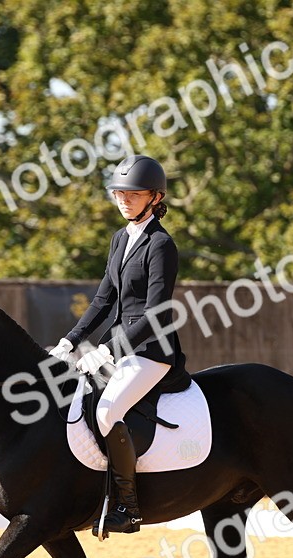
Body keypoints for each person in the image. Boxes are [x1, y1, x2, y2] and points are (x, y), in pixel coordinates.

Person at [47, 154, 185, 536]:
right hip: (120, 346)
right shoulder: (120, 239)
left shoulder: (161, 245)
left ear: (155, 197)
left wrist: (110, 351)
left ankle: (129, 506)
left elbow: (157, 312)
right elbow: (103, 300)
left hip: (152, 352)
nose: (124, 199)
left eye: (133, 194)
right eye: (119, 193)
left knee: (108, 413)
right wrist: (70, 341)